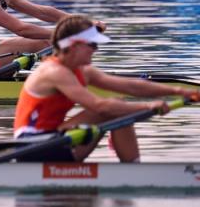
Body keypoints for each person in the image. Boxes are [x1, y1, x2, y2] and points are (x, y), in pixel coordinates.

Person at [12, 15, 199, 162]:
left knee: (117, 105)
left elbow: (131, 86)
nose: (96, 50)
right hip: (32, 147)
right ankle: (134, 171)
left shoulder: (82, 71)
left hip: (55, 140)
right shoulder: (54, 72)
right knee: (113, 108)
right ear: (74, 45)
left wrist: (177, 91)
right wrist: (148, 107)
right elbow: (100, 106)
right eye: (92, 44)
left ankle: (133, 169)